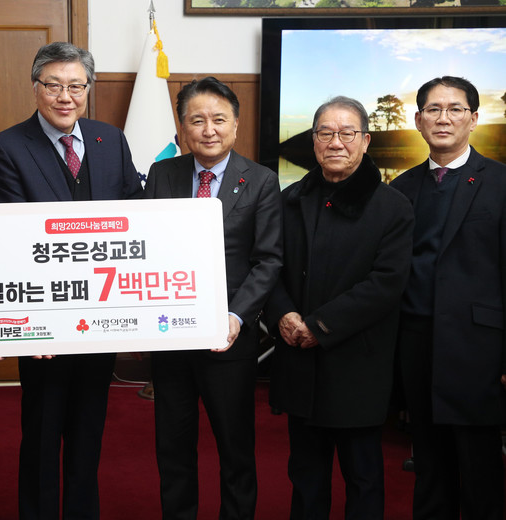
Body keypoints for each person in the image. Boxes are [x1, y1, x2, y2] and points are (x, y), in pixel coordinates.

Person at [0, 42, 142, 520]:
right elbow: (15, 237)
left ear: (88, 88)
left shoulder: (110, 139)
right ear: (35, 87)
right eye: (53, 85)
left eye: (76, 86)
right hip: (45, 323)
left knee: (88, 433)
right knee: (41, 431)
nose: (65, 96)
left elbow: (136, 215)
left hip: (102, 317)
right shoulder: (7, 146)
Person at [263, 96, 414, 520]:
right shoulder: (290, 199)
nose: (336, 142)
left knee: (363, 478)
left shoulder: (392, 206)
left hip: (357, 367)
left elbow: (386, 284)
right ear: (313, 141)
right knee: (305, 477)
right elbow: (270, 267)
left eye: (347, 133)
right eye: (325, 133)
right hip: (299, 362)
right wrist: (282, 314)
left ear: (365, 141)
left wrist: (320, 326)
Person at [143, 76, 282, 520]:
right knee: (173, 447)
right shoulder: (162, 174)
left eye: (219, 119)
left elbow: (268, 260)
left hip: (229, 337)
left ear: (235, 125)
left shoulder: (261, 180)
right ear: (182, 128)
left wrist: (236, 316)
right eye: (197, 120)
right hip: (171, 336)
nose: (208, 130)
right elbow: (146, 247)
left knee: (235, 447)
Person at [391, 76, 506, 520]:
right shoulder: (401, 189)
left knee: (481, 474)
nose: (444, 118)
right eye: (433, 109)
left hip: (479, 349)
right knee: (430, 468)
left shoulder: (500, 182)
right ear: (418, 120)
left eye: (455, 109)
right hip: (417, 345)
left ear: (473, 119)